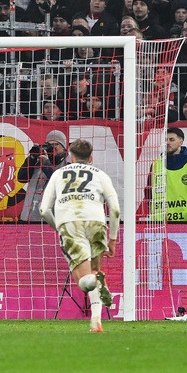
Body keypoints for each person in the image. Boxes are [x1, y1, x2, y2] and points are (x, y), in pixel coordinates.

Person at [39, 139, 120, 332]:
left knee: (84, 282)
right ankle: (96, 321)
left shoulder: (58, 174)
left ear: (70, 157)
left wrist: (58, 227)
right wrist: (113, 239)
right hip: (96, 221)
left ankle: (96, 283)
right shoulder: (100, 174)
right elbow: (115, 209)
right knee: (94, 270)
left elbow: (44, 209)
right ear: (91, 158)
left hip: (70, 222)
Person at [149, 126, 187, 223]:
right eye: (165, 140)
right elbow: (148, 192)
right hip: (160, 222)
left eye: (171, 139)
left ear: (181, 142)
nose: (167, 142)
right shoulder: (156, 164)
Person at [17, 130, 68, 222]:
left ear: (63, 147)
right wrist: (31, 158)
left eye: (56, 144)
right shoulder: (38, 161)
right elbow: (21, 178)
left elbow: (59, 183)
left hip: (52, 219)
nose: (52, 147)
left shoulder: (68, 164)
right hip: (28, 216)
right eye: (49, 144)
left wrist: (46, 164)